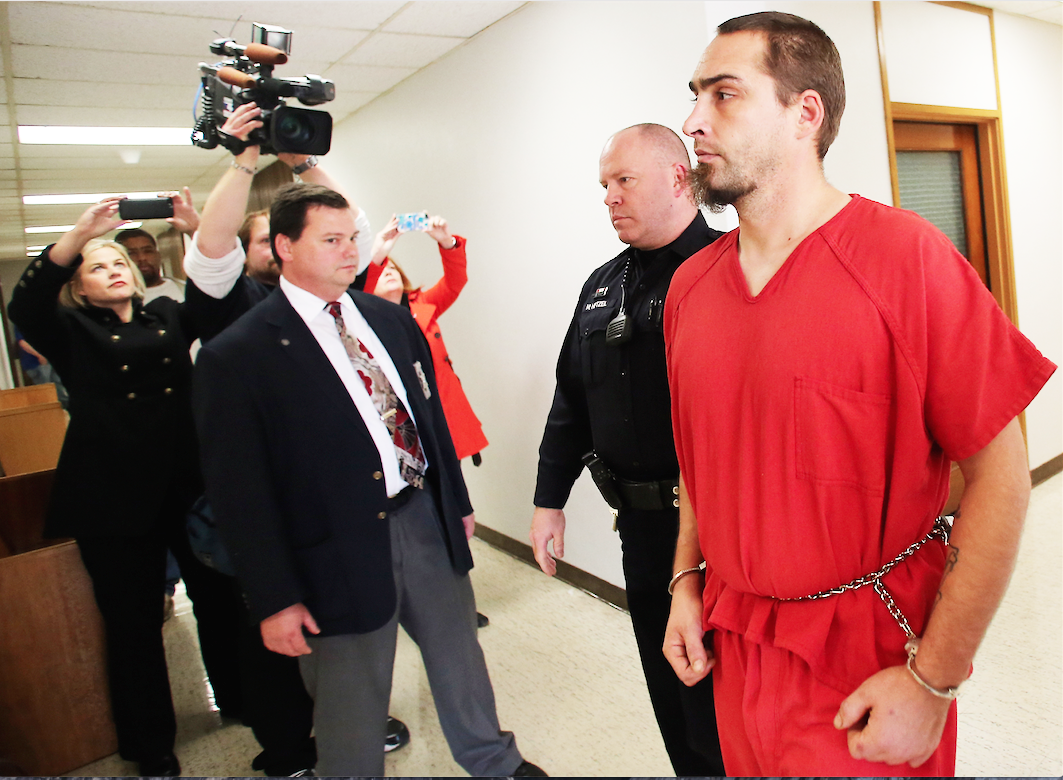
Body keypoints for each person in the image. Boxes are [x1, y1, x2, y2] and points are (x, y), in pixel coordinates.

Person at [663, 12, 1057, 776]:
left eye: (723, 96)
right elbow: (702, 466)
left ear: (803, 113)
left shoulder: (904, 260)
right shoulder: (689, 290)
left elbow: (1002, 480)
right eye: (694, 96)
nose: (692, 122)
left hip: (868, 662)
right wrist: (687, 582)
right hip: (736, 650)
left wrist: (932, 680)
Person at [192, 181, 546, 778]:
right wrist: (274, 598)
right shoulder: (240, 354)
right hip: (331, 549)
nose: (348, 251)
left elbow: (427, 420)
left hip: (421, 517)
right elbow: (240, 494)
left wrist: (454, 503)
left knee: (461, 658)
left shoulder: (387, 318)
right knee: (350, 697)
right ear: (284, 246)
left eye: (350, 237)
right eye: (330, 240)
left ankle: (494, 761)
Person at [182, 103, 410, 773]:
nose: (339, 251)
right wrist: (244, 160)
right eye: (263, 239)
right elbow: (212, 251)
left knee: (341, 632)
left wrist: (302, 163)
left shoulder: (336, 303)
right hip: (263, 510)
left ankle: (350, 723)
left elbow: (354, 230)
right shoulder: (234, 310)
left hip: (335, 509)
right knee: (277, 639)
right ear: (274, 250)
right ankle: (285, 749)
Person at [7, 200, 245, 777]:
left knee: (219, 604)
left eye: (119, 262)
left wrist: (197, 229)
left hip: (186, 487)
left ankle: (242, 701)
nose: (113, 269)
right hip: (111, 499)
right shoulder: (69, 330)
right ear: (81, 289)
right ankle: (151, 744)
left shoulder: (166, 315)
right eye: (97, 266)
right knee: (134, 625)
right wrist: (83, 233)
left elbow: (218, 303)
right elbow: (26, 302)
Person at [529, 123, 725, 775]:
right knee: (667, 683)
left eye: (623, 181)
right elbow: (570, 399)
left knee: (723, 689)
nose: (609, 197)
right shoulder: (601, 284)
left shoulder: (729, 271)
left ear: (676, 178)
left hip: (719, 532)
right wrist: (547, 501)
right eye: (604, 185)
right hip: (641, 530)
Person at [365, 215, 488, 464]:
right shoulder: (365, 318)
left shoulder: (422, 304)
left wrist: (446, 242)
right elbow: (357, 291)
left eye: (393, 269)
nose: (389, 271)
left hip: (442, 409)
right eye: (382, 270)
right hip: (402, 415)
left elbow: (455, 282)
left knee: (454, 485)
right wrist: (378, 254)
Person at [15, 326, 69, 407]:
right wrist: (39, 355)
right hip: (35, 363)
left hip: (50, 361)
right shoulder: (23, 322)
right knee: (47, 391)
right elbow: (22, 342)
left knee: (58, 388)